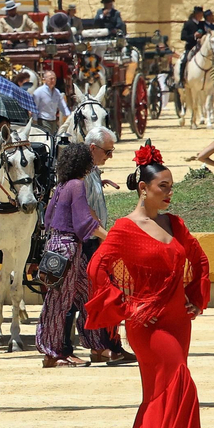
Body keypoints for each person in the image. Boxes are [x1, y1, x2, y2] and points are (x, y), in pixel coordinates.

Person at [86, 143, 214, 428]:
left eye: (172, 187)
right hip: (148, 325)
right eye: (164, 187)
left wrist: (193, 296)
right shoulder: (125, 228)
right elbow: (96, 269)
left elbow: (197, 258)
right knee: (182, 388)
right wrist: (127, 307)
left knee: (161, 396)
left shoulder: (174, 223)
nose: (170, 193)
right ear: (143, 188)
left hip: (177, 322)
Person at [38, 143, 110, 368]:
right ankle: (52, 353)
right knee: (59, 303)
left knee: (87, 297)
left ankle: (97, 347)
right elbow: (84, 222)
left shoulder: (61, 186)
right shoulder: (77, 185)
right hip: (68, 250)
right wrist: (110, 237)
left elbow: (48, 217)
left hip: (57, 247)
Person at [80, 127, 132, 364]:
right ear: (93, 149)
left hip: (97, 241)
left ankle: (107, 346)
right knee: (102, 297)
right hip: (91, 243)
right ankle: (103, 347)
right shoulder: (83, 173)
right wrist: (107, 236)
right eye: (107, 152)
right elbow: (86, 212)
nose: (109, 156)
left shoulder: (91, 171)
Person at [31, 68, 71, 143]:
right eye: (51, 78)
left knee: (53, 139)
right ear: (45, 79)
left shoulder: (57, 92)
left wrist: (69, 116)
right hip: (43, 120)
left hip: (53, 121)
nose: (53, 80)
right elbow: (34, 107)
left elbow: (62, 105)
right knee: (47, 140)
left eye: (54, 78)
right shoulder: (38, 92)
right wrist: (35, 121)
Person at [176, 6, 204, 86]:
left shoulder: (202, 24)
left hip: (201, 48)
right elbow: (183, 37)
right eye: (200, 14)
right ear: (196, 14)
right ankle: (181, 80)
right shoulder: (188, 24)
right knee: (184, 60)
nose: (202, 16)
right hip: (191, 47)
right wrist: (194, 36)